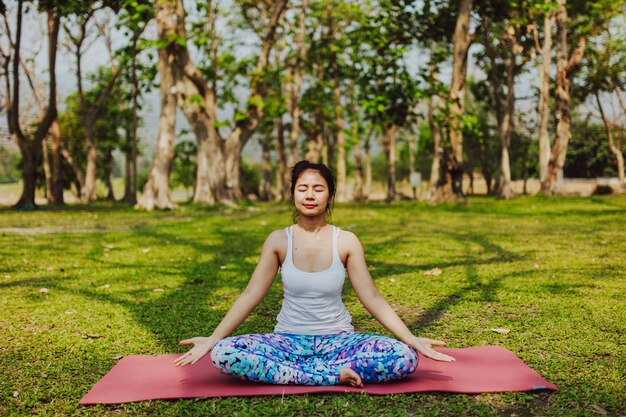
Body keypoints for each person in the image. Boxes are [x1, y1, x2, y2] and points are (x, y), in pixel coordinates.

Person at [174, 161, 454, 387]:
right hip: (288, 342)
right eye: (302, 188)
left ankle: (302, 373)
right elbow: (250, 295)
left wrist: (412, 339)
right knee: (224, 353)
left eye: (318, 189)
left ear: (330, 195)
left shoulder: (346, 241)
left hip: (339, 342)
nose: (309, 195)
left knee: (404, 357)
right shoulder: (278, 240)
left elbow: (372, 297)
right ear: (293, 193)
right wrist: (212, 339)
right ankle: (333, 376)